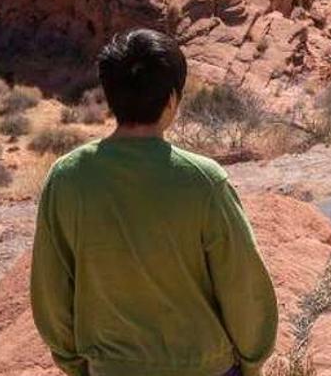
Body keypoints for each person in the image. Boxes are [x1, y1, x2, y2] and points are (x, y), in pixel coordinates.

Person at [30, 29, 278, 376]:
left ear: (110, 93)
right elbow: (243, 288)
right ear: (172, 100)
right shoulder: (203, 180)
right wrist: (252, 361)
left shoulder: (67, 178)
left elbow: (51, 291)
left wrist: (75, 364)